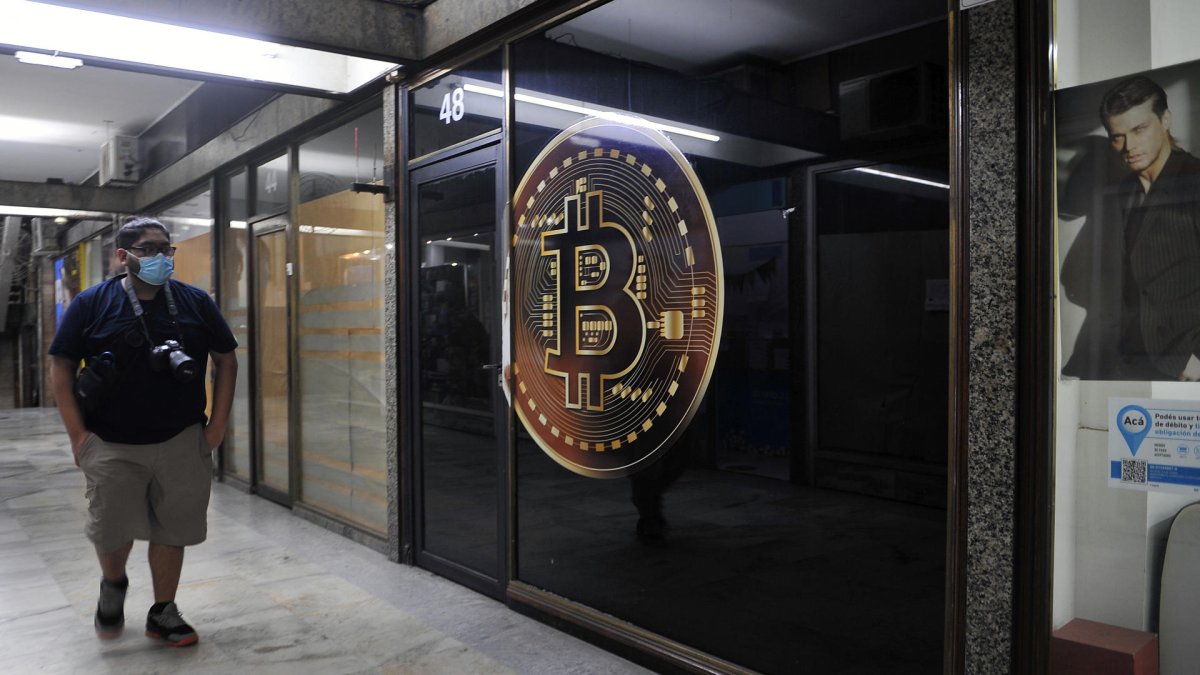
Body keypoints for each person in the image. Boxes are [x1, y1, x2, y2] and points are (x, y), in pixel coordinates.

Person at [49, 216, 238, 647]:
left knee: (173, 529)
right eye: (149, 249)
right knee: (111, 530)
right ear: (123, 256)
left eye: (166, 249)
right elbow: (60, 365)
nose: (160, 257)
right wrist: (78, 435)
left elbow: (227, 359)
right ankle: (113, 583)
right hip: (111, 442)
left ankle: (163, 612)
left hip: (181, 440)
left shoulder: (195, 302)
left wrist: (217, 425)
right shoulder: (92, 303)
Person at [1061, 75, 1200, 381]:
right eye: (1117, 136)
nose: (1128, 146)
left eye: (1139, 129)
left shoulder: (1194, 179)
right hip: (1117, 357)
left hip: (1180, 366)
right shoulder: (1118, 193)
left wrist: (1196, 356)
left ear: (1165, 120)